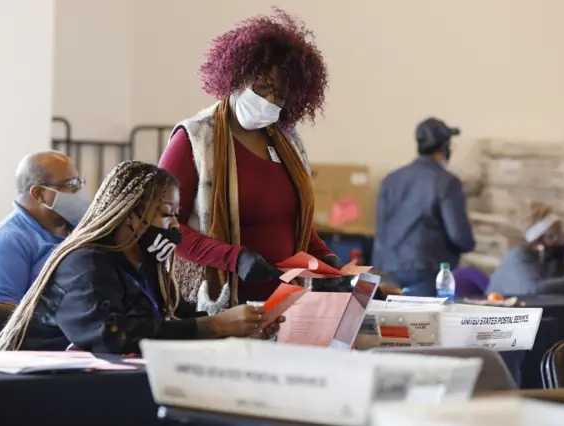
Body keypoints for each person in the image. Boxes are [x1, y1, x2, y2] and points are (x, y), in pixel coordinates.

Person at [159, 9, 394, 310]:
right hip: (216, 309)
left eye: (280, 96)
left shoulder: (288, 143)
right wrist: (234, 257)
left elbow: (297, 223)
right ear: (238, 74)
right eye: (263, 86)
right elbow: (163, 225)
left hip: (286, 306)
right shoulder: (194, 140)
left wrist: (328, 259)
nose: (269, 101)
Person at [0, 162, 282, 353]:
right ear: (130, 216)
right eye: (166, 213)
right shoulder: (85, 263)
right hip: (42, 391)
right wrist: (216, 326)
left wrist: (239, 329)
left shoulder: (142, 265)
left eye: (175, 215)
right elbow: (114, 336)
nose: (174, 226)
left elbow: (182, 317)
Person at [0, 151, 90, 305]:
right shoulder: (5, 246)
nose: (79, 192)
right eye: (71, 185)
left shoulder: (77, 231)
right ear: (39, 193)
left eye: (80, 183)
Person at [373, 117, 475, 296]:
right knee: (424, 324)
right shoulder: (447, 182)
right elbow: (460, 236)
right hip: (427, 275)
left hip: (387, 271)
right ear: (444, 147)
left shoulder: (390, 180)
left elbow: (381, 231)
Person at [487, 202, 564, 296]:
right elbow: (533, 291)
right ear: (536, 242)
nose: (562, 239)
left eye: (562, 233)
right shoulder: (516, 258)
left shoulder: (561, 257)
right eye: (553, 236)